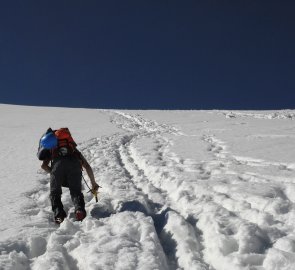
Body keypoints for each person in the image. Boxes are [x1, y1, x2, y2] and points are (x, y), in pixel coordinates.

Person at [40, 128, 99, 223]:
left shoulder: (52, 148)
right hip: (74, 164)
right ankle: (79, 211)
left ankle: (59, 214)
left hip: (57, 166)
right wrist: (93, 183)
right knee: (76, 192)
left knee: (55, 193)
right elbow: (87, 166)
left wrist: (53, 174)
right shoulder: (73, 149)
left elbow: (44, 166)